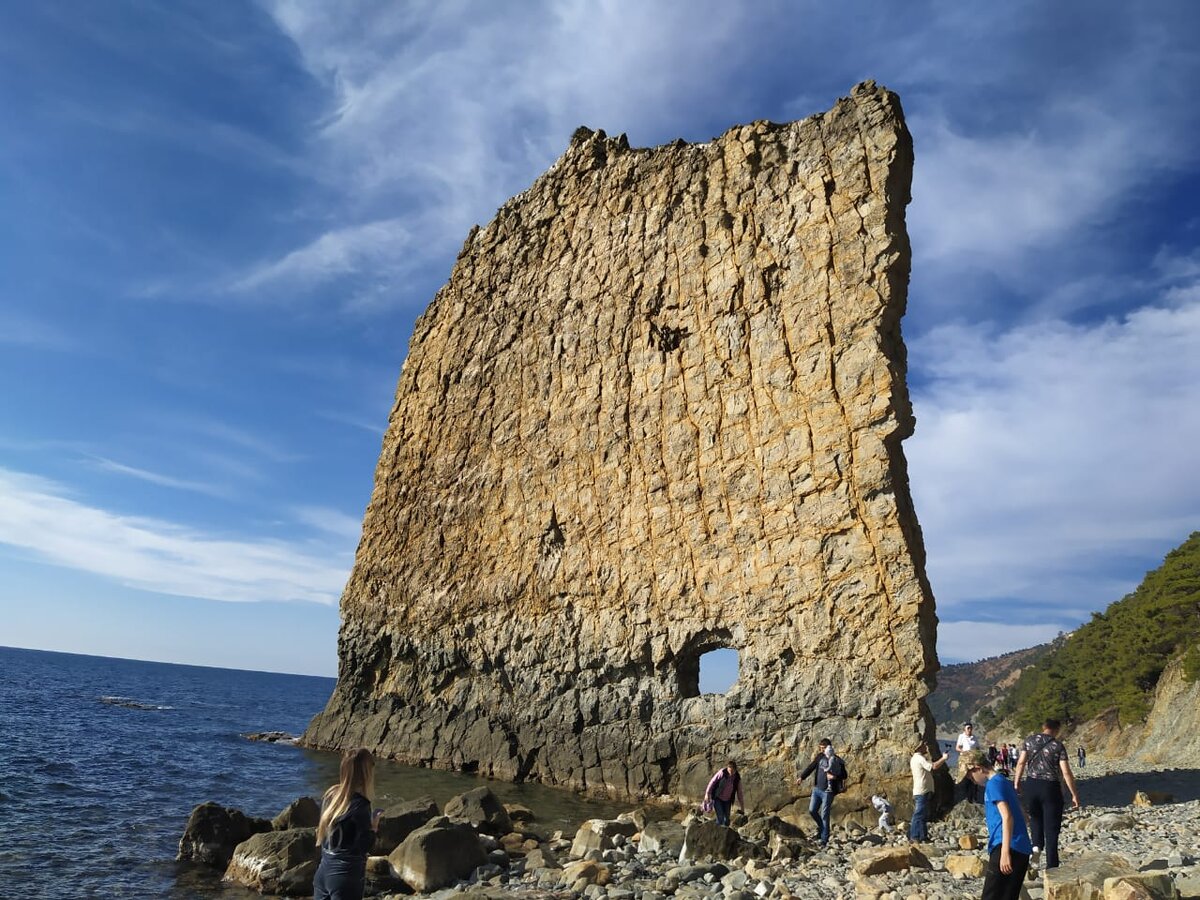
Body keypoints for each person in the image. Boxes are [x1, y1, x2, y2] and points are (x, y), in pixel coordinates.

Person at [960, 749, 1033, 900]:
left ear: (978, 768)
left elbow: (1007, 817)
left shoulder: (993, 785)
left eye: (970, 776)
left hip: (1005, 846)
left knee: (990, 895)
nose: (971, 780)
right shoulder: (1003, 781)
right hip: (1021, 847)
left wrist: (1005, 853)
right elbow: (1024, 816)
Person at [314, 748, 383, 900]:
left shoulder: (330, 795)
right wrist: (374, 826)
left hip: (323, 872)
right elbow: (364, 845)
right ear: (366, 773)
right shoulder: (361, 805)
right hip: (346, 876)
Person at [1013, 718, 1081, 869]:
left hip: (1031, 784)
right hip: (1051, 788)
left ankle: (1036, 847)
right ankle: (1052, 865)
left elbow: (1021, 762)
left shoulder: (1029, 741)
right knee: (1051, 827)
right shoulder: (1058, 745)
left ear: (1043, 727)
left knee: (1035, 819)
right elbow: (1066, 772)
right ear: (1056, 729)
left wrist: (1017, 781)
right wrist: (1074, 793)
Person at [797, 738, 848, 846]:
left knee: (825, 814)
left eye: (823, 748)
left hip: (828, 792)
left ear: (829, 747)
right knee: (812, 810)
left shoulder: (837, 760)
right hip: (817, 789)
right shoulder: (820, 757)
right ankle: (822, 828)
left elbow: (844, 775)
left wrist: (834, 776)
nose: (822, 750)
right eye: (820, 748)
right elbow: (811, 767)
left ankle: (824, 838)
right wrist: (802, 777)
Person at [909, 740, 948, 843]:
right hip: (922, 790)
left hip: (922, 790)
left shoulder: (915, 758)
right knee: (918, 814)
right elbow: (933, 767)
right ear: (918, 748)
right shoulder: (919, 758)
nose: (925, 747)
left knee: (922, 815)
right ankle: (914, 836)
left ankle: (922, 836)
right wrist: (943, 759)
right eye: (923, 745)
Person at [703, 760, 745, 827]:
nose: (730, 773)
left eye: (732, 772)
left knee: (727, 820)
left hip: (727, 800)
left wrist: (742, 807)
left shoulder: (737, 778)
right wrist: (707, 794)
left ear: (735, 770)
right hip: (717, 798)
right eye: (729, 771)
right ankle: (716, 832)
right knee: (720, 818)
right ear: (727, 768)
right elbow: (712, 782)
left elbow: (739, 793)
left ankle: (724, 834)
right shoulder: (722, 772)